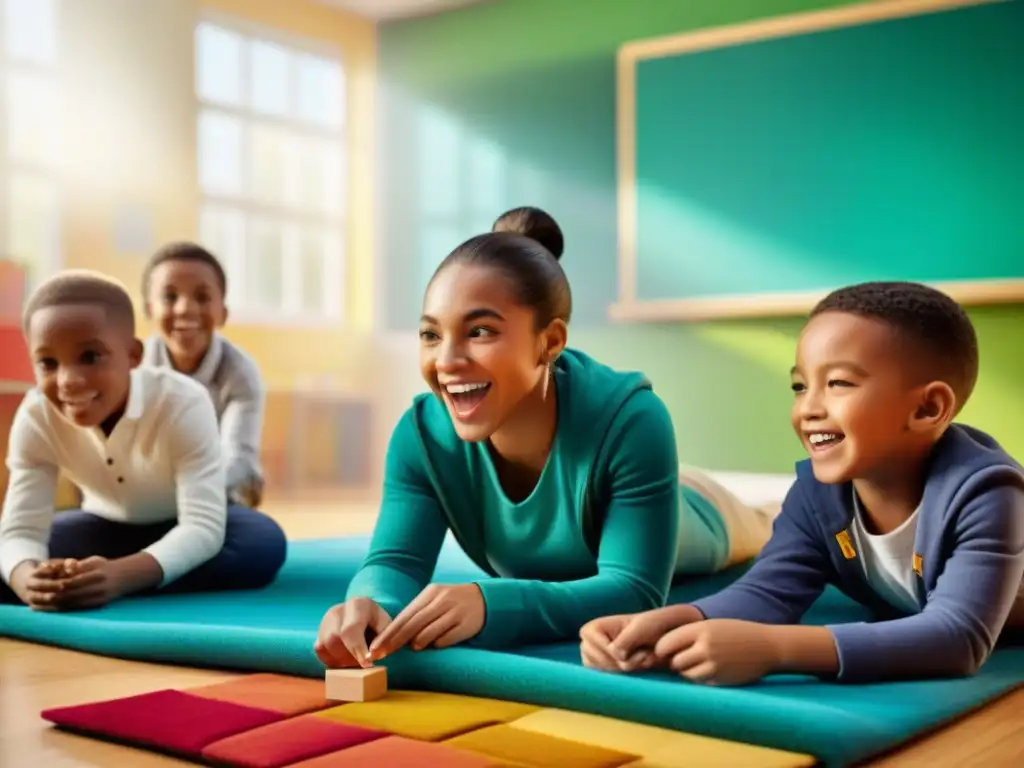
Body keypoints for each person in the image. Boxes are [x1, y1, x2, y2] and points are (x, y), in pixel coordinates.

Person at [314, 207, 776, 668]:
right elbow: (394, 563)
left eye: (479, 331)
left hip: (700, 511)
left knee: (769, 529)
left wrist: (491, 604)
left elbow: (635, 589)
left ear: (550, 342)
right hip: (631, 491)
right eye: (431, 334)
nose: (447, 361)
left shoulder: (634, 420)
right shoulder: (421, 438)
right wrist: (372, 603)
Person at [580, 281, 1024, 685]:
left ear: (927, 410)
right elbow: (767, 592)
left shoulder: (988, 494)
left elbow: (957, 636)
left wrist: (776, 649)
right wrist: (666, 623)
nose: (808, 408)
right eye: (799, 386)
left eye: (838, 383)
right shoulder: (817, 493)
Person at [0, 270, 287, 610]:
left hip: (180, 518)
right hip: (101, 525)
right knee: (8, 560)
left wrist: (121, 576)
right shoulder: (36, 415)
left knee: (262, 543)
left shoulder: (183, 402)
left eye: (90, 357)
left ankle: (123, 574)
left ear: (133, 356)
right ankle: (121, 576)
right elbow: (21, 529)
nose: (69, 381)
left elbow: (203, 526)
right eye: (48, 363)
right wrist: (27, 580)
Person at [140, 241, 266, 507]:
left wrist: (184, 498)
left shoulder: (240, 373)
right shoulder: (133, 369)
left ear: (223, 313)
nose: (185, 308)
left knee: (264, 538)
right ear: (149, 309)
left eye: (202, 297)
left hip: (215, 497)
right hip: (142, 495)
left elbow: (237, 457)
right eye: (170, 297)